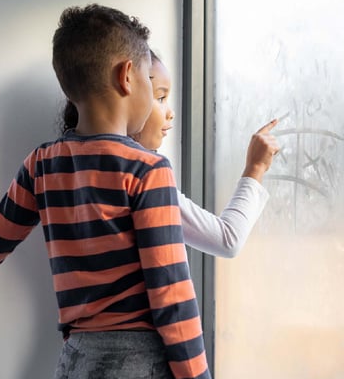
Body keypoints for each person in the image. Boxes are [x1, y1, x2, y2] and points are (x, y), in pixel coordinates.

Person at [0, 4, 213, 379]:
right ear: (127, 76)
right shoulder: (148, 170)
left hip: (75, 363)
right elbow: (171, 294)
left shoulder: (41, 164)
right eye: (147, 77)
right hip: (137, 365)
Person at [60, 50, 280, 257]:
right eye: (161, 98)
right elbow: (227, 239)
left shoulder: (61, 165)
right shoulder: (144, 176)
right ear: (128, 93)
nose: (170, 113)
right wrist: (256, 168)